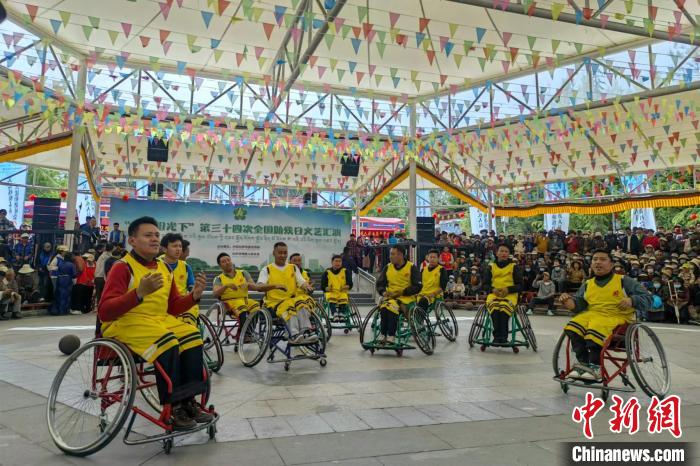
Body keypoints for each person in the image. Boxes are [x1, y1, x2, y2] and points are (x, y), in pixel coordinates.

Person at [98, 216, 212, 430]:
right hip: (126, 321)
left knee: (192, 335)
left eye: (157, 235)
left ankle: (189, 402)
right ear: (132, 241)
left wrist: (193, 296)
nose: (154, 239)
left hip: (159, 319)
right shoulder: (123, 267)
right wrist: (138, 293)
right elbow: (105, 311)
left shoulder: (164, 268)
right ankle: (174, 407)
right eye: (148, 235)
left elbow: (173, 307)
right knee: (168, 341)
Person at [559, 249, 652, 380]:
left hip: (618, 317)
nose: (598, 262)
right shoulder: (588, 284)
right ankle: (583, 364)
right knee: (573, 326)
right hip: (592, 315)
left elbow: (648, 299)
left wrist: (632, 300)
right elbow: (579, 305)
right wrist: (568, 302)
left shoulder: (624, 281)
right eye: (595, 259)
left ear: (612, 264)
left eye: (603, 259)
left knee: (595, 327)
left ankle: (596, 367)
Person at [257, 242, 317, 344]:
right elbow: (259, 287)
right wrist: (275, 286)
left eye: (285, 253)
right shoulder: (266, 269)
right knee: (290, 308)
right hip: (274, 303)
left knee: (302, 303)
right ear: (274, 253)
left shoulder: (293, 267)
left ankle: (305, 332)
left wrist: (306, 286)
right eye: (280, 253)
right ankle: (293, 335)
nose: (283, 255)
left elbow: (301, 282)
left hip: (291, 300)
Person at [375, 245, 422, 346]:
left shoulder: (411, 267)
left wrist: (403, 292)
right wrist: (383, 292)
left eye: (393, 254)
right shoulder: (388, 267)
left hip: (406, 298)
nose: (390, 256)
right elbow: (380, 284)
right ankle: (383, 334)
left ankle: (391, 335)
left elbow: (418, 286)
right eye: (390, 254)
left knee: (392, 307)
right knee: (384, 307)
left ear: (400, 255)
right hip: (390, 297)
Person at [482, 244, 523, 344]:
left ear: (509, 254)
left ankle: (503, 337)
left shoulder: (514, 266)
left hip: (510, 294)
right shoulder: (491, 267)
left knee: (504, 309)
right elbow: (485, 285)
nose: (504, 253)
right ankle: (497, 337)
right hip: (494, 294)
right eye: (501, 251)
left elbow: (520, 285)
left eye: (506, 251)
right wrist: (492, 289)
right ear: (497, 253)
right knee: (495, 308)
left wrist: (509, 289)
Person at [212, 252, 260, 328]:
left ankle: (249, 331)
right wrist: (226, 286)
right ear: (220, 266)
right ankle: (245, 333)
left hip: (245, 300)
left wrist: (248, 284)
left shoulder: (243, 273)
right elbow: (215, 294)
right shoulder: (218, 278)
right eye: (224, 262)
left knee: (256, 306)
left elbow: (255, 287)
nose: (227, 262)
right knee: (242, 307)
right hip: (230, 303)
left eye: (228, 260)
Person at [160, 233, 199, 326]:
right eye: (174, 246)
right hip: (162, 302)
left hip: (182, 301)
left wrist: (195, 291)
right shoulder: (155, 264)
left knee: (191, 310)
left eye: (180, 246)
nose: (178, 249)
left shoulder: (186, 267)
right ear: (164, 249)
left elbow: (191, 286)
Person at [321, 254, 353, 321]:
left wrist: (347, 286)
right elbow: (322, 285)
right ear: (332, 262)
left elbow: (350, 283)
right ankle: (335, 313)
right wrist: (326, 288)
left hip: (342, 291)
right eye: (336, 261)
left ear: (341, 262)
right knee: (331, 299)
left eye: (339, 261)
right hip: (331, 292)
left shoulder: (345, 271)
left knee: (344, 298)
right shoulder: (327, 272)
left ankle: (341, 314)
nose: (338, 263)